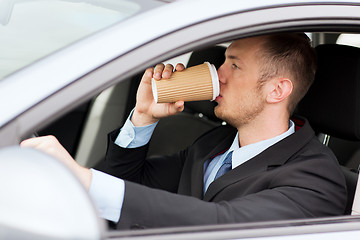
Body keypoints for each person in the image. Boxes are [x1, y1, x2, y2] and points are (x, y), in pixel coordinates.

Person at [21, 33, 347, 230]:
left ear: (277, 90)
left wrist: (85, 179)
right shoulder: (215, 143)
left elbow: (223, 224)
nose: (218, 74)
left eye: (234, 65)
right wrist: (144, 118)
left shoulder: (316, 179)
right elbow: (125, 183)